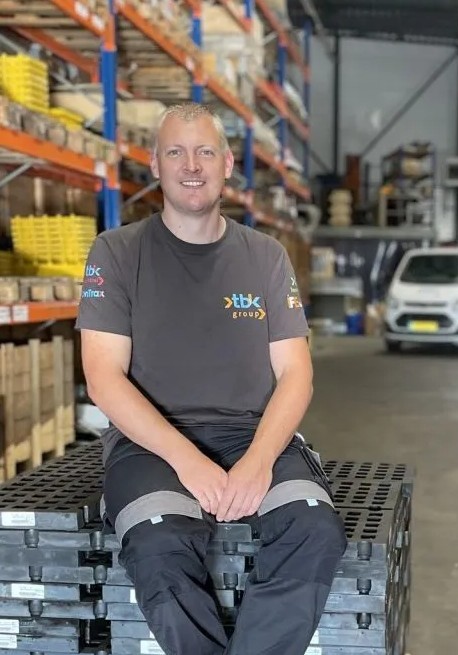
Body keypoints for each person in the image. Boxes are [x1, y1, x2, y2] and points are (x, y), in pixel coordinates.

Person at [76, 102, 346, 655]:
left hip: (253, 435)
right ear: (155, 164)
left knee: (314, 530)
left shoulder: (265, 256)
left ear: (226, 164)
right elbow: (103, 379)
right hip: (150, 445)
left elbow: (296, 373)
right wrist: (187, 460)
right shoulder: (117, 252)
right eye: (176, 152)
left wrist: (260, 460)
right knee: (159, 545)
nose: (191, 165)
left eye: (205, 152)